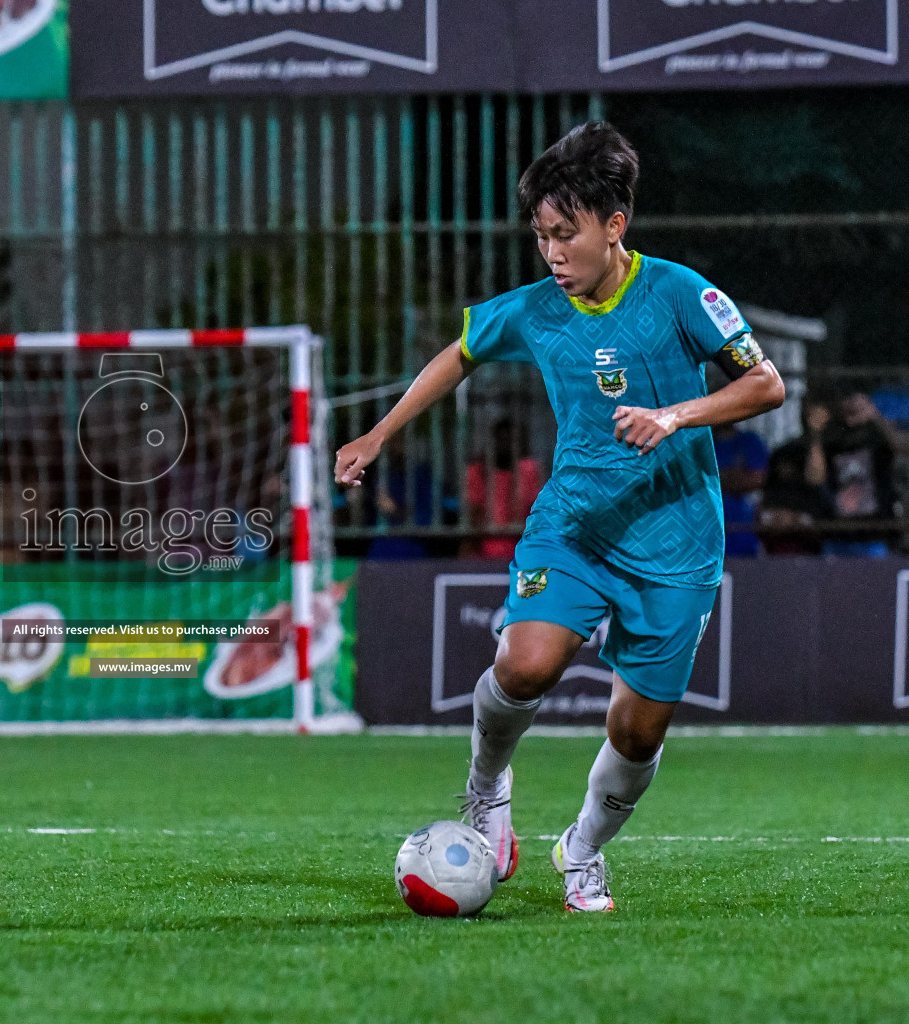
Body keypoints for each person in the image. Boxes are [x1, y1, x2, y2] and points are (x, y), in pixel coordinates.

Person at [335, 123, 785, 912]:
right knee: (526, 664)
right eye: (541, 235)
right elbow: (460, 352)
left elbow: (766, 385)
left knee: (638, 733)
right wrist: (379, 432)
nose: (551, 252)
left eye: (565, 234)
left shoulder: (681, 293)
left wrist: (674, 416)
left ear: (615, 226)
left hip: (677, 541)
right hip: (573, 524)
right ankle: (486, 789)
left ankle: (581, 850)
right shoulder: (538, 309)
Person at [819, 391, 900, 557]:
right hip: (838, 535)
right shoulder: (831, 442)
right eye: (848, 407)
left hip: (875, 535)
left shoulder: (879, 443)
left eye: (858, 408)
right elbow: (815, 477)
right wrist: (818, 430)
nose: (853, 414)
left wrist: (874, 415)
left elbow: (899, 445)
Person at [759, 396, 832, 556]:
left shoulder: (834, 448)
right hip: (779, 537)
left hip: (819, 536)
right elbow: (767, 496)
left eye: (816, 410)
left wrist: (815, 434)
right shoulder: (784, 452)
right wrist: (777, 516)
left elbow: (815, 479)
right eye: (807, 409)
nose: (811, 415)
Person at [464, 417, 543, 561]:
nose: (505, 445)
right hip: (483, 552)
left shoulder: (528, 470)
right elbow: (473, 515)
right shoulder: (478, 471)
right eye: (500, 439)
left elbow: (534, 514)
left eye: (510, 440)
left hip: (521, 549)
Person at [711, 422, 768, 557]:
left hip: (744, 532)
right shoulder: (701, 443)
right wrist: (735, 475)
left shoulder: (750, 440)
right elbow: (694, 480)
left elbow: (757, 478)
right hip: (707, 530)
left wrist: (715, 478)